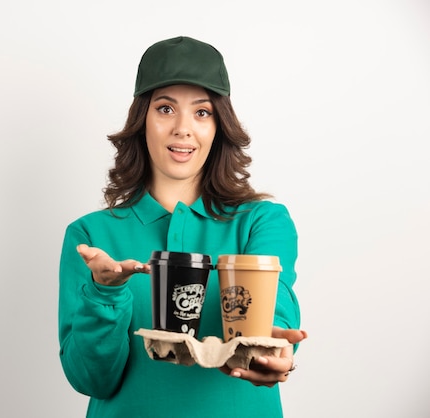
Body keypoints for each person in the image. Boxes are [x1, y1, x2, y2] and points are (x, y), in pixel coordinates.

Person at [58, 35, 307, 417]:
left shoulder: (262, 221)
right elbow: (91, 380)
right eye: (165, 109)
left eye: (202, 112)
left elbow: (274, 308)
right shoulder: (91, 236)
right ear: (142, 121)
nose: (183, 129)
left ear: (218, 127)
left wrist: (270, 347)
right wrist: (105, 293)